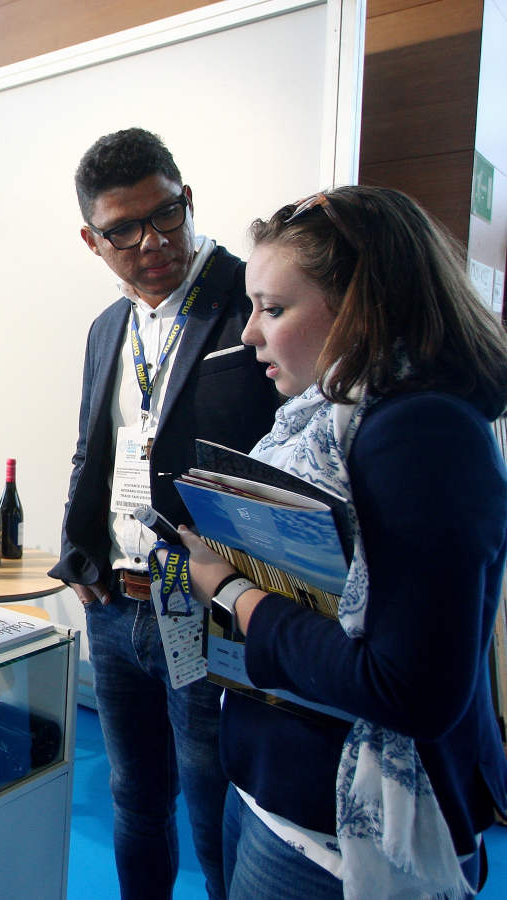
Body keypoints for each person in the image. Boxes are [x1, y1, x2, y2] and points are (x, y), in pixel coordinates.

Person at [176, 185, 507, 898]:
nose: (250, 334)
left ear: (362, 303)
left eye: (274, 308)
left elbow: (409, 689)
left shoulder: (424, 435)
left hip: (343, 846)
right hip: (274, 792)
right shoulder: (326, 418)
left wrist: (232, 592)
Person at [51, 127, 279, 900]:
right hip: (117, 605)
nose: (154, 241)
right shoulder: (106, 327)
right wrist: (75, 549)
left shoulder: (254, 301)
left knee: (220, 811)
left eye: (168, 214)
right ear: (92, 238)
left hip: (209, 604)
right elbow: (98, 450)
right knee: (135, 799)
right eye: (124, 230)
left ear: (187, 198)